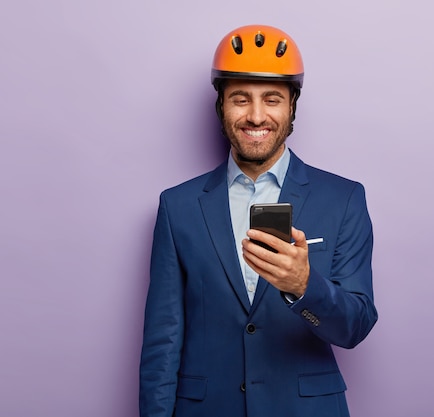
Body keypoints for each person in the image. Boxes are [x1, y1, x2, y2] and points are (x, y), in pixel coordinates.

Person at [139, 24, 378, 417]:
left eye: (272, 99)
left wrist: (304, 286)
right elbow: (162, 342)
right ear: (221, 106)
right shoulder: (177, 206)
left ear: (291, 107)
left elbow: (355, 327)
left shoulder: (344, 199)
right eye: (239, 99)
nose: (255, 115)